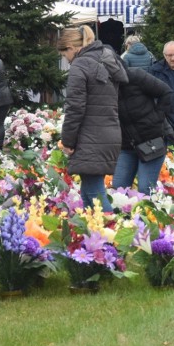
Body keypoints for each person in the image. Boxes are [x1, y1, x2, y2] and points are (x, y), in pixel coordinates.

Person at [57, 26, 128, 212]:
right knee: (89, 190)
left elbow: (74, 108)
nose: (66, 59)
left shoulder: (80, 66)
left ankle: (112, 231)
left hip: (90, 136)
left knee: (95, 192)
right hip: (108, 132)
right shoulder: (106, 59)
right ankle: (94, 232)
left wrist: (67, 141)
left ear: (72, 47)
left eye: (65, 54)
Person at [112, 65, 173, 194]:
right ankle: (126, 214)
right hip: (127, 144)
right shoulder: (104, 87)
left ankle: (151, 213)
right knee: (118, 189)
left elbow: (166, 92)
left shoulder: (136, 75)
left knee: (145, 190)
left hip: (151, 140)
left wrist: (158, 118)